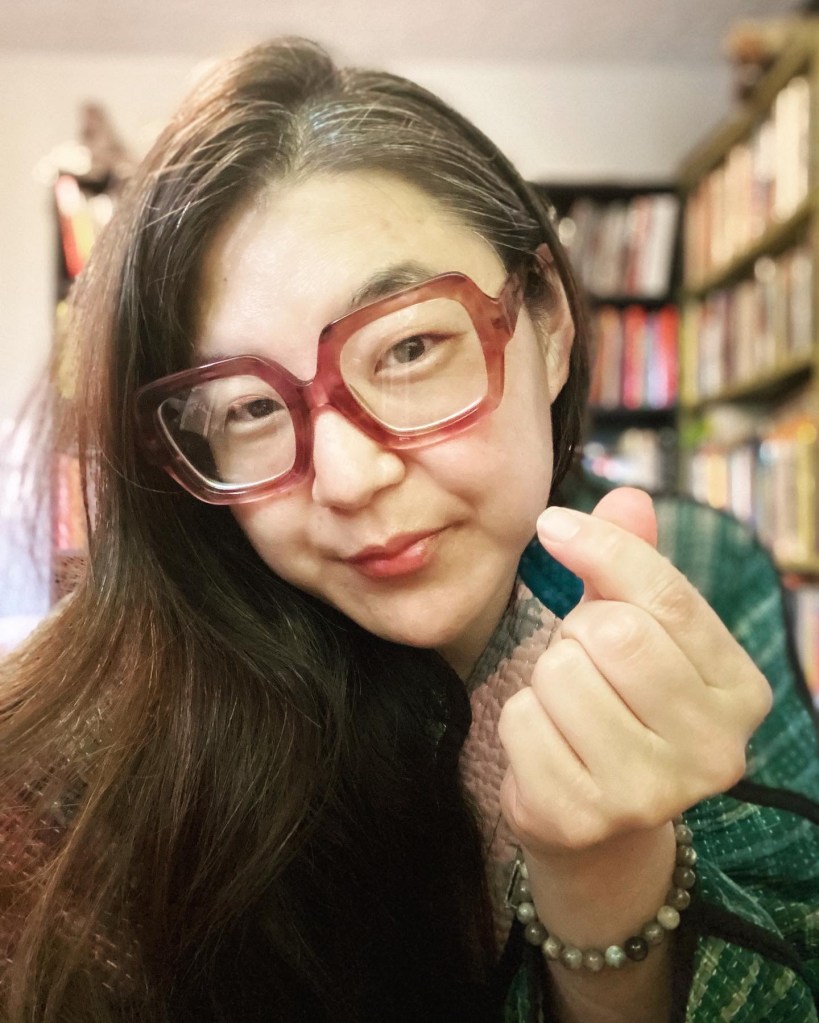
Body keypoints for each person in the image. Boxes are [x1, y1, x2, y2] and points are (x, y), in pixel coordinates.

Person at [1, 37, 818, 1023]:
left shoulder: (689, 569)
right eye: (250, 409)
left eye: (412, 345)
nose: (346, 479)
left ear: (550, 324)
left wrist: (609, 887)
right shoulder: (80, 776)